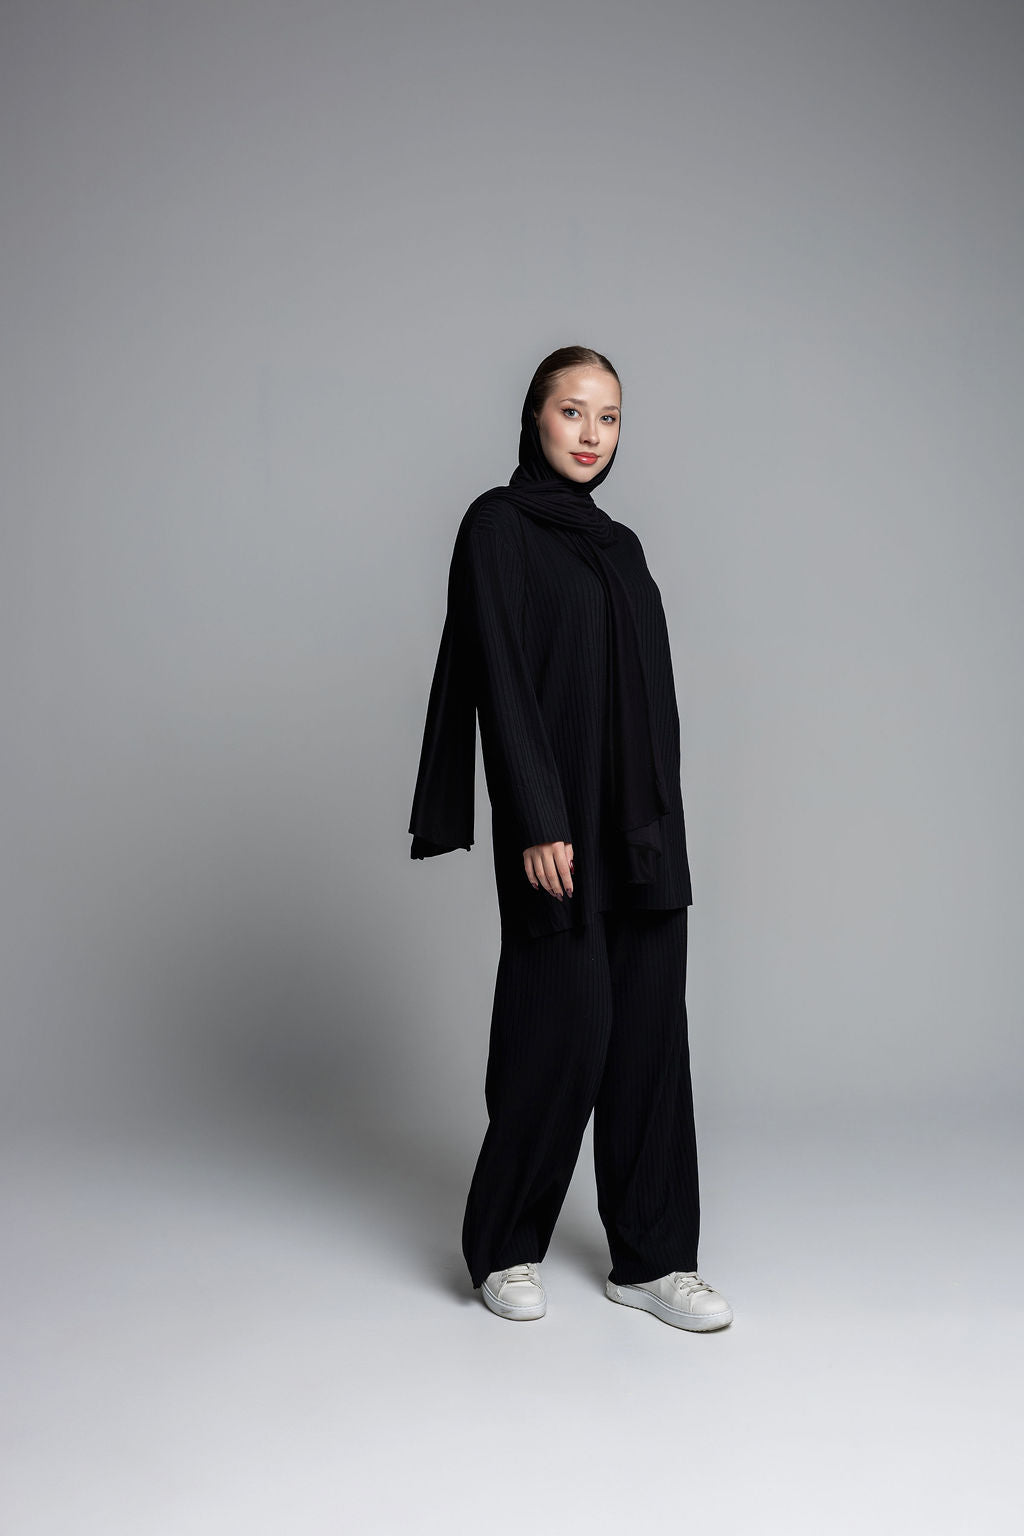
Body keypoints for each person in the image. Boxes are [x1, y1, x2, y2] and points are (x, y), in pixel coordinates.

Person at [408, 345, 733, 1331]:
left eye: (609, 417)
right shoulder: (497, 526)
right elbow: (500, 674)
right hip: (558, 825)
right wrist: (536, 816)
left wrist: (663, 823)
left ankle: (653, 1259)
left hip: (641, 829)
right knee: (564, 1024)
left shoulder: (619, 546)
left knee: (649, 1037)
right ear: (535, 418)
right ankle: (504, 1245)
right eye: (573, 412)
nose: (592, 435)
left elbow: (649, 698)